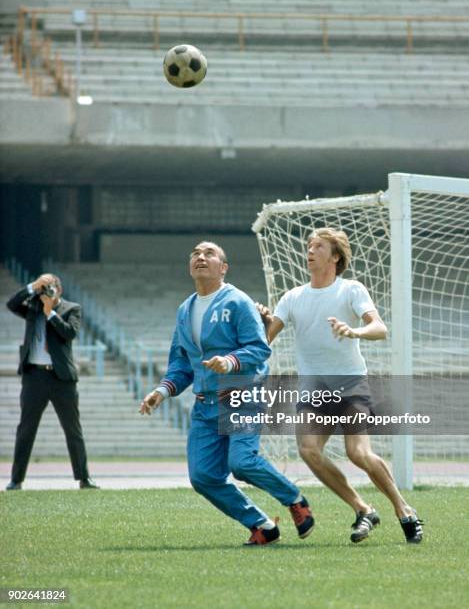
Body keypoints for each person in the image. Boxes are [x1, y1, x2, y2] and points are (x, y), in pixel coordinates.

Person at [140, 241, 313, 546]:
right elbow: (181, 363)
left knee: (242, 463)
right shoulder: (185, 309)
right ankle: (261, 525)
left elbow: (259, 349)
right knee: (203, 477)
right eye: (195, 253)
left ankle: (295, 499)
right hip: (205, 405)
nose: (200, 257)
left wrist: (230, 361)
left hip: (241, 396)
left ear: (224, 268)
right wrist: (162, 392)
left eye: (209, 254)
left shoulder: (238, 301)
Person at [257, 228, 423, 544]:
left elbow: (379, 327)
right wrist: (262, 322)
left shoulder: (351, 290)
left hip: (350, 386)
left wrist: (354, 331)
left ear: (335, 256)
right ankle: (363, 508)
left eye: (318, 246)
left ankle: (404, 509)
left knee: (358, 453)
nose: (310, 250)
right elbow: (265, 341)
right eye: (308, 245)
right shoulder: (292, 297)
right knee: (308, 450)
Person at [5, 273, 98, 491]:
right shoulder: (32, 307)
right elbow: (12, 304)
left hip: (61, 378)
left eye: (50, 286)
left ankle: (84, 478)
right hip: (34, 377)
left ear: (59, 290)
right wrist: (32, 287)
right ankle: (16, 480)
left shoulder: (71, 308)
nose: (46, 291)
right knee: (26, 429)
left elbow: (70, 333)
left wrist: (51, 314)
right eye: (43, 286)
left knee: (72, 429)